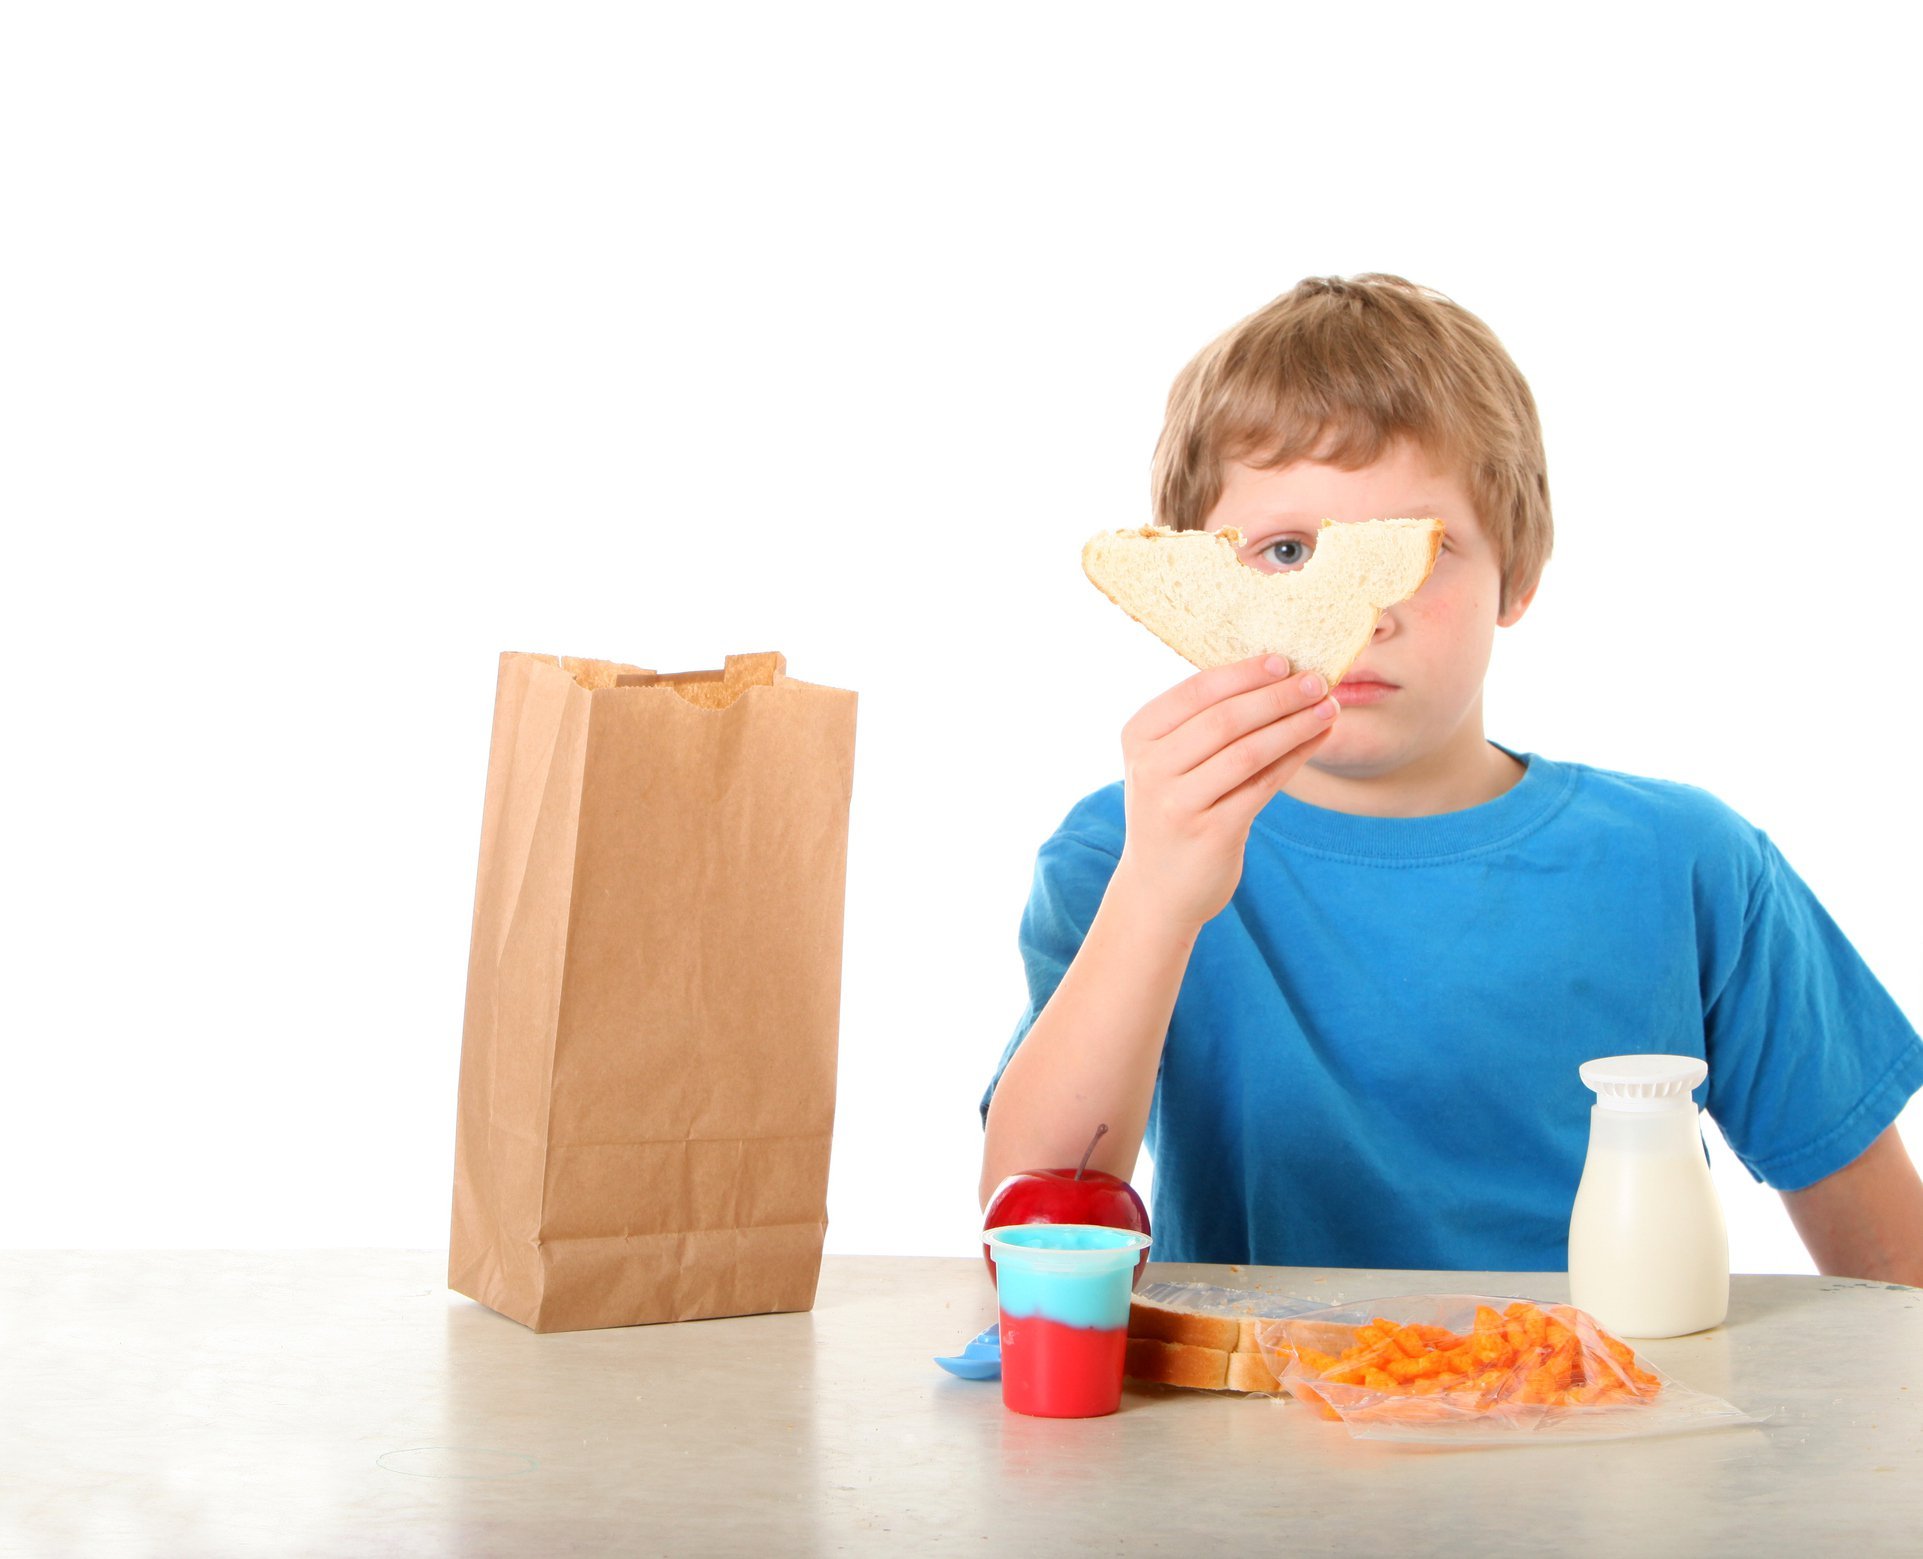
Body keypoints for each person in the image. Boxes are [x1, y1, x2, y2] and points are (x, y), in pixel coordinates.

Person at [978, 274, 1923, 1284]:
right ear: (1195, 584)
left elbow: (1890, 1273)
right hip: (1255, 1433)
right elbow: (1027, 1243)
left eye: (1414, 553)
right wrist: (1155, 896)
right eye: (1288, 550)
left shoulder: (1689, 861)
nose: (1360, 613)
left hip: (1616, 1419)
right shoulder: (1123, 850)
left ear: (1517, 571)